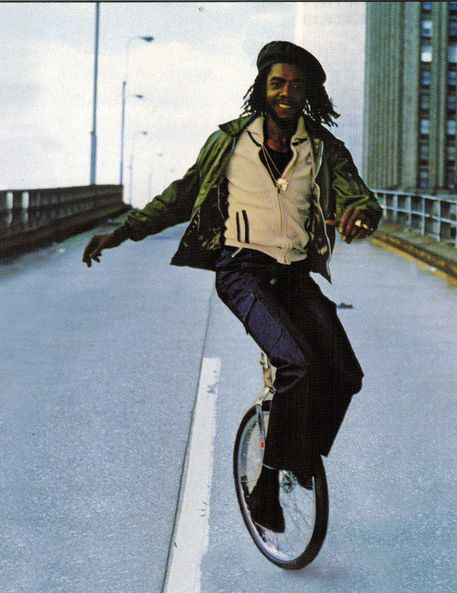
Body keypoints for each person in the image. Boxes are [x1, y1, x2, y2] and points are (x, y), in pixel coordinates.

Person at [83, 41, 382, 533]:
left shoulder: (324, 149)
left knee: (345, 374)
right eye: (277, 83)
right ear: (262, 88)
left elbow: (362, 200)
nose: (286, 93)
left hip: (293, 275)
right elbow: (182, 195)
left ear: (307, 95)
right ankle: (266, 487)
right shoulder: (229, 140)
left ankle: (301, 453)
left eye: (296, 86)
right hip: (242, 270)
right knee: (297, 363)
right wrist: (122, 232)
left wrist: (362, 215)